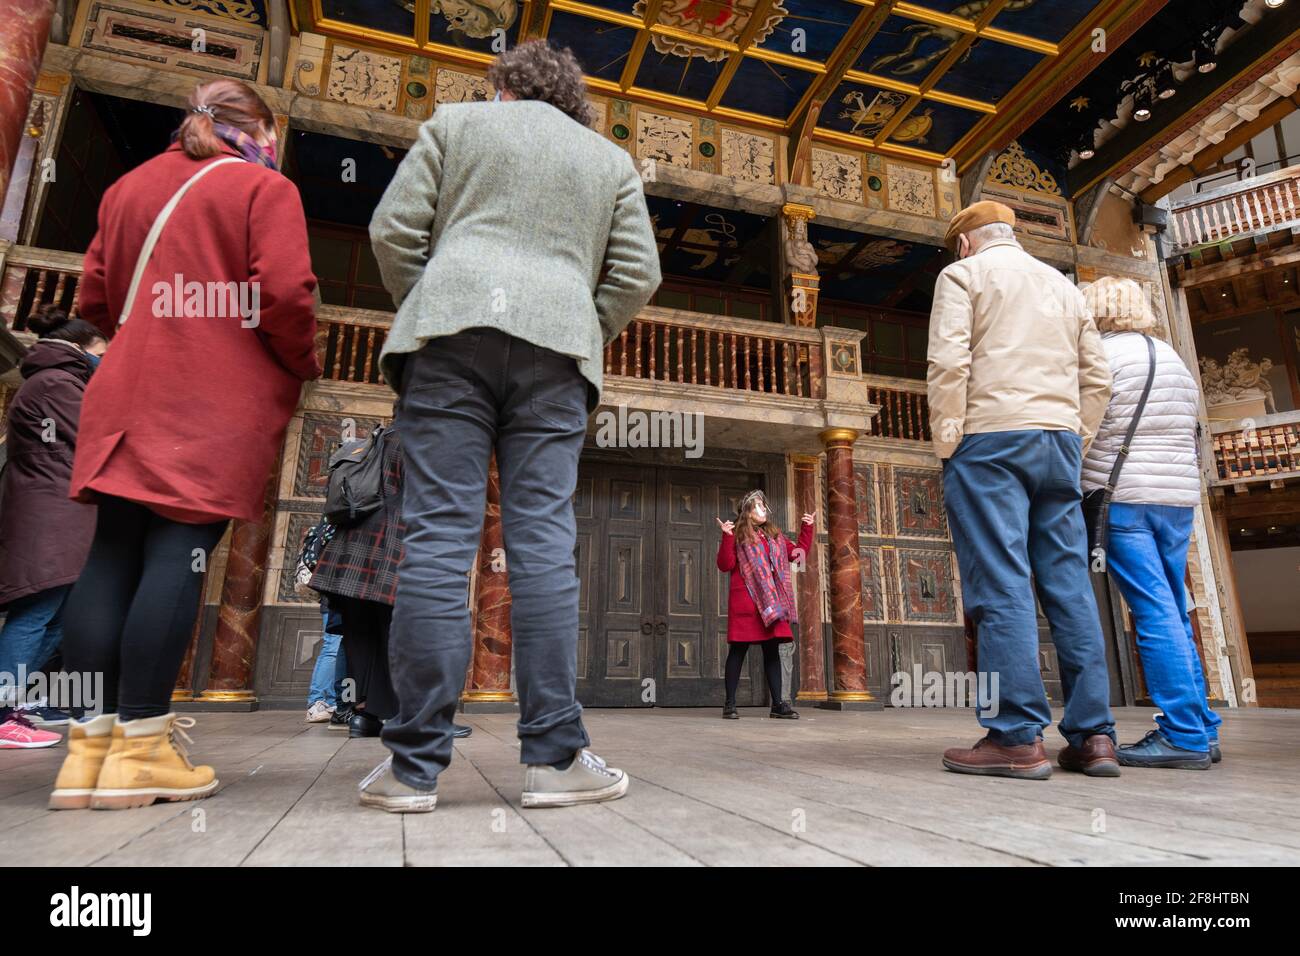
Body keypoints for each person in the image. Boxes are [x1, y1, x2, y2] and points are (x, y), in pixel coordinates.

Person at [362, 40, 660, 812]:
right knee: (542, 547)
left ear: (502, 86)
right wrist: (575, 323)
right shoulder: (610, 162)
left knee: (435, 542)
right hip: (556, 356)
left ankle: (411, 769)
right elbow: (636, 274)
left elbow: (392, 232)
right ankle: (555, 761)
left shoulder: (454, 125)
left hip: (448, 342)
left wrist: (437, 301)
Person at [49, 78, 321, 810]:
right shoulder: (263, 190)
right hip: (207, 395)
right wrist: (302, 363)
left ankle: (87, 755)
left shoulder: (129, 187)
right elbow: (287, 296)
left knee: (109, 556)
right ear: (260, 129)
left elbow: (96, 301)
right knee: (180, 551)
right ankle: (142, 751)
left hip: (125, 390)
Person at [927, 200, 1117, 781]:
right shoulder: (1064, 288)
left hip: (990, 438)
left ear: (966, 243)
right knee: (1068, 584)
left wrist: (947, 439)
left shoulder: (962, 275)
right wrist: (1075, 436)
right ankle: (1094, 737)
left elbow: (948, 361)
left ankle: (1015, 736)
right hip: (1058, 442)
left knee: (1000, 580)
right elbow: (1099, 377)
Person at [1080, 276, 1222, 770]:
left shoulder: (1101, 356)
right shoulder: (1173, 360)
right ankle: (1202, 727)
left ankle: (1182, 735)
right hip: (1177, 501)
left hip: (1124, 501)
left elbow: (1086, 430)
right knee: (1175, 608)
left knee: (1152, 611)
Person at [308, 423, 473, 740]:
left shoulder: (380, 436)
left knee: (363, 635)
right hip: (395, 544)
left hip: (352, 547)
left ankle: (365, 716)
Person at [0, 305, 107, 747]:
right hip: (49, 518)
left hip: (63, 517)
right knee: (36, 613)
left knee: (61, 617)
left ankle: (14, 703)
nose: (107, 362)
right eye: (103, 352)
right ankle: (4, 710)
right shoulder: (56, 384)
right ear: (81, 350)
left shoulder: (60, 382)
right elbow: (95, 438)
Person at [715, 491, 814, 719]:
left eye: (764, 506)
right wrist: (727, 536)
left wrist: (807, 528)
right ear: (747, 512)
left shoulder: (774, 535)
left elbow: (798, 556)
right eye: (758, 506)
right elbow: (725, 564)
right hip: (746, 603)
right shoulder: (738, 535)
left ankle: (778, 704)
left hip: (771, 604)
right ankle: (730, 704)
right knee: (738, 650)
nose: (764, 510)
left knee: (772, 651)